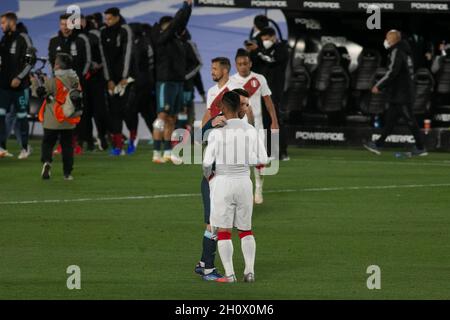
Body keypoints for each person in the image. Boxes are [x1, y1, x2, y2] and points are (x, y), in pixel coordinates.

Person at [203, 91, 268, 283]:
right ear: (240, 108)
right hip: (244, 182)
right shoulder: (250, 130)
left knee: (223, 231)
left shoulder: (217, 132)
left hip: (222, 182)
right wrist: (245, 161)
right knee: (246, 230)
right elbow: (263, 159)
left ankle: (229, 274)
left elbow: (207, 163)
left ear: (222, 108)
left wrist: (211, 179)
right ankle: (249, 271)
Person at [195, 87, 254, 281]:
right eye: (243, 104)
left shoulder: (242, 124)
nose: (245, 107)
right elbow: (199, 140)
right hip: (214, 181)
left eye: (247, 104)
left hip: (232, 182)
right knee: (215, 226)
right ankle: (208, 269)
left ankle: (204, 263)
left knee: (217, 226)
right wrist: (210, 126)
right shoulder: (220, 120)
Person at [364, 30, 428, 157]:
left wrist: (378, 85)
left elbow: (392, 72)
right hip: (401, 92)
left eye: (387, 38)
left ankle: (421, 147)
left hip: (401, 94)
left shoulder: (396, 51)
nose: (386, 40)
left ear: (392, 40)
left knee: (410, 121)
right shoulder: (406, 51)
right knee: (391, 121)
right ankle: (378, 145)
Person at [229, 49, 279, 204]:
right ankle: (242, 192)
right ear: (235, 65)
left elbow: (268, 101)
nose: (243, 67)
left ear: (250, 63)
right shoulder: (231, 82)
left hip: (257, 126)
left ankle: (258, 189)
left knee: (259, 161)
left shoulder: (259, 79)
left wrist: (274, 121)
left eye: (245, 63)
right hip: (237, 127)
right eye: (239, 64)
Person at [152, 0, 193, 164]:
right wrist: (184, 6)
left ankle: (168, 152)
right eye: (170, 26)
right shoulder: (162, 39)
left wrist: (189, 8)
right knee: (161, 116)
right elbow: (177, 22)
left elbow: (181, 22)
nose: (175, 28)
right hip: (165, 82)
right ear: (164, 28)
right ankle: (156, 152)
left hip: (177, 83)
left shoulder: (178, 41)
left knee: (172, 119)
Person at [48, 13, 91, 154]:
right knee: (62, 115)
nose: (65, 27)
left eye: (67, 24)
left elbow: (87, 61)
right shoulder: (54, 41)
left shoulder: (81, 40)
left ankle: (78, 143)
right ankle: (63, 144)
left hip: (76, 85)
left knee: (77, 115)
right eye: (62, 24)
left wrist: (80, 80)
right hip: (60, 86)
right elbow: (51, 63)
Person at [36, 53, 81, 180]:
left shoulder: (53, 80)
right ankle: (67, 173)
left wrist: (37, 85)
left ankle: (47, 162)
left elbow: (41, 92)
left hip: (53, 118)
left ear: (58, 66)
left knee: (48, 143)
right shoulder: (75, 80)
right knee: (67, 146)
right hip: (69, 119)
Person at [100, 7, 136, 156]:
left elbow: (127, 54)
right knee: (114, 113)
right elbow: (104, 58)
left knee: (128, 112)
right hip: (112, 80)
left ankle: (133, 142)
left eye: (109, 19)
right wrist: (109, 79)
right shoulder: (103, 32)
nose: (106, 22)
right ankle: (118, 146)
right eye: (105, 19)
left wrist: (124, 77)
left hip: (127, 79)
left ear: (116, 17)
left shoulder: (125, 29)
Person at [0, 12, 33, 159]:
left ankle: (25, 148)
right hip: (4, 87)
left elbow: (30, 61)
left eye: (3, 23)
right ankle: (1, 148)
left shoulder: (23, 38)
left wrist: (19, 78)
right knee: (1, 116)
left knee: (21, 117)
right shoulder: (3, 39)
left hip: (20, 88)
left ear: (11, 22)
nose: (1, 26)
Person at [258, 27, 290, 161]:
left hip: (276, 91)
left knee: (277, 121)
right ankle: (269, 151)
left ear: (273, 36)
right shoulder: (263, 50)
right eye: (262, 39)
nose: (264, 41)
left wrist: (258, 52)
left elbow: (273, 60)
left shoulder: (282, 48)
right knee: (266, 121)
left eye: (266, 38)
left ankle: (282, 152)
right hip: (264, 91)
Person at [81, 15, 110, 151]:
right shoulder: (72, 38)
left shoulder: (95, 34)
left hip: (96, 79)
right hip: (81, 80)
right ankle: (86, 140)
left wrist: (98, 66)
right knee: (83, 112)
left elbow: (105, 55)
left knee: (99, 112)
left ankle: (102, 137)